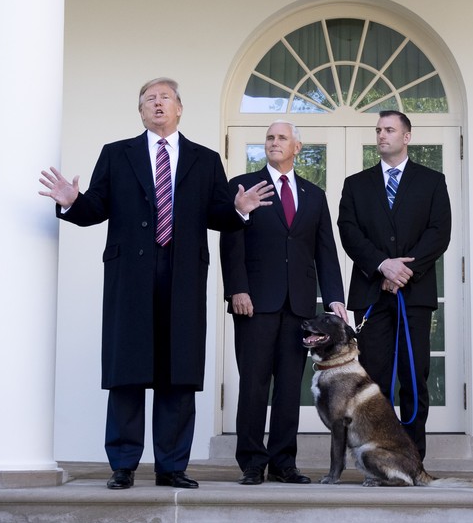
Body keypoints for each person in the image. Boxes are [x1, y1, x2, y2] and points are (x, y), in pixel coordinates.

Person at [38, 77, 273, 490]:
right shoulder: (117, 154)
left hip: (183, 275)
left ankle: (172, 466)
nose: (158, 103)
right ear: (141, 111)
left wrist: (239, 210)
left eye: (165, 97)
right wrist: (72, 201)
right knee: (128, 370)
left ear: (180, 108)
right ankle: (123, 465)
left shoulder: (205, 159)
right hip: (130, 277)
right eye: (149, 99)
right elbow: (96, 208)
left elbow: (219, 215)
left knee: (177, 372)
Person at [220, 121, 348, 486]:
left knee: (290, 387)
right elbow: (231, 243)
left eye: (281, 138)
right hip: (255, 302)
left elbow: (325, 250)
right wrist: (237, 290)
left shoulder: (313, 194)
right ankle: (251, 463)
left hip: (300, 307)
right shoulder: (245, 187)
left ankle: (283, 462)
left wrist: (335, 297)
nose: (274, 143)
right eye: (270, 138)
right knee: (254, 384)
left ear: (297, 147)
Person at [337, 110, 451, 460]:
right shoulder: (356, 184)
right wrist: (382, 266)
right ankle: (377, 457)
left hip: (414, 297)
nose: (382, 135)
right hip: (372, 294)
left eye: (389, 129)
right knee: (375, 381)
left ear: (407, 136)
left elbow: (439, 233)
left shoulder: (432, 181)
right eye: (378, 130)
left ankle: (413, 458)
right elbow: (349, 231)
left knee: (414, 377)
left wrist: (404, 272)